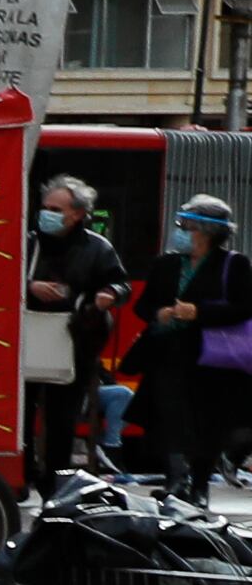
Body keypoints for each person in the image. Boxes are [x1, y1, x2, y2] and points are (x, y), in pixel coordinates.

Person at [133, 195, 249, 499]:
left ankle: (199, 486)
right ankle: (175, 481)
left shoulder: (234, 264)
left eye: (187, 226)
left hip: (211, 359)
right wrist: (158, 313)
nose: (180, 232)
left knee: (208, 424)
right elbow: (142, 306)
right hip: (167, 353)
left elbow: (244, 308)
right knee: (168, 417)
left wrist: (199, 312)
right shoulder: (165, 264)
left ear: (207, 232)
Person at [24, 178, 131, 488]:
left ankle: (56, 483)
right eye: (45, 207)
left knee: (63, 417)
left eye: (56, 209)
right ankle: (22, 476)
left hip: (74, 341)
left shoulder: (97, 247)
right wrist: (30, 287)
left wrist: (110, 294)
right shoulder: (28, 242)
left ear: (78, 214)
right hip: (27, 338)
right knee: (21, 414)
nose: (47, 214)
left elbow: (120, 283)